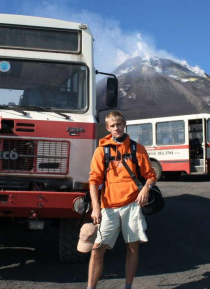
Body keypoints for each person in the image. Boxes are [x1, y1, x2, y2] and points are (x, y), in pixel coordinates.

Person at [87, 111, 157, 289]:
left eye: (119, 124)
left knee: (132, 247)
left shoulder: (136, 149)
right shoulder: (101, 150)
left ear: (124, 124)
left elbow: (150, 175)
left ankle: (128, 286)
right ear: (107, 128)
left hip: (132, 205)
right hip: (108, 206)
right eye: (112, 126)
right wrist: (96, 207)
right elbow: (94, 180)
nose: (116, 128)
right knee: (97, 249)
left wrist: (146, 189)